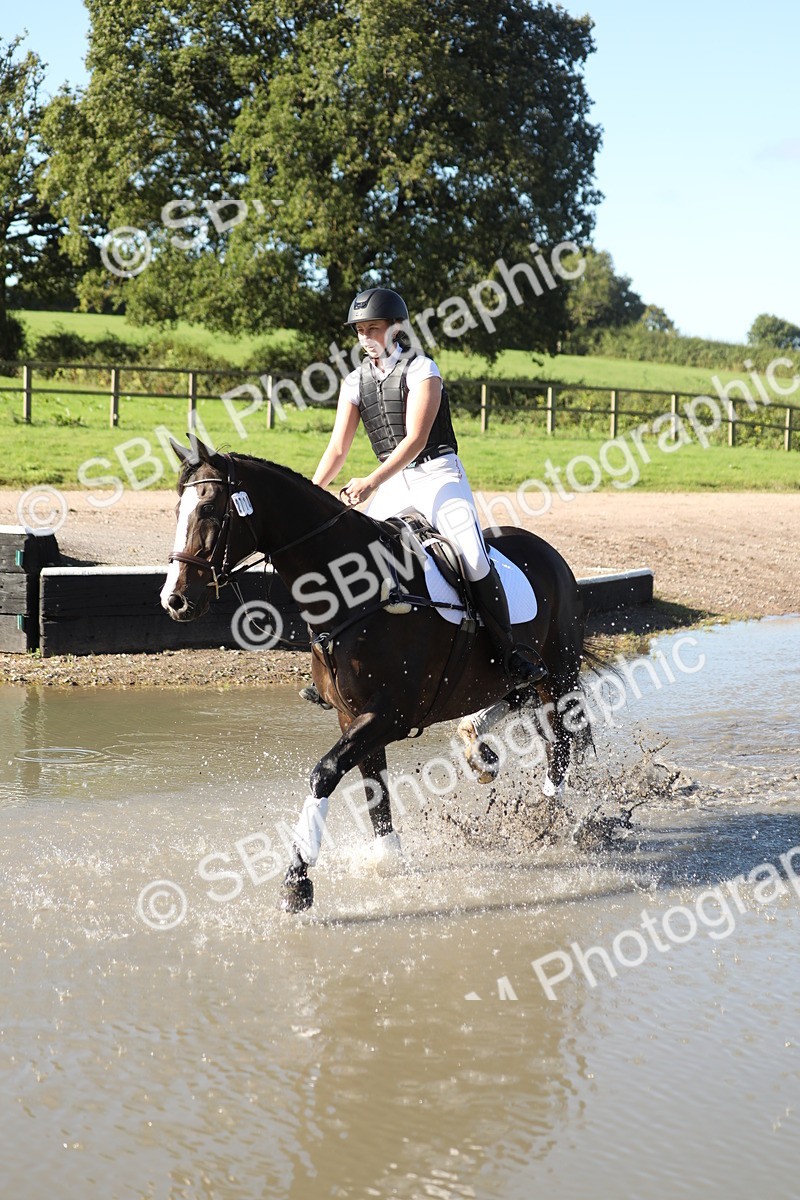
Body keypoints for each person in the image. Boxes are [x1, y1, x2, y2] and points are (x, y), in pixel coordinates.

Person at [308, 286, 546, 690]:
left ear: (396, 328)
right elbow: (337, 447)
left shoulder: (422, 370)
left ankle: (510, 652)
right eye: (360, 330)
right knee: (357, 557)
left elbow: (416, 439)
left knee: (471, 556)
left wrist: (370, 482)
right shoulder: (353, 382)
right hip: (393, 481)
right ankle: (339, 659)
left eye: (374, 328)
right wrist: (312, 492)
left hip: (438, 475)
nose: (366, 338)